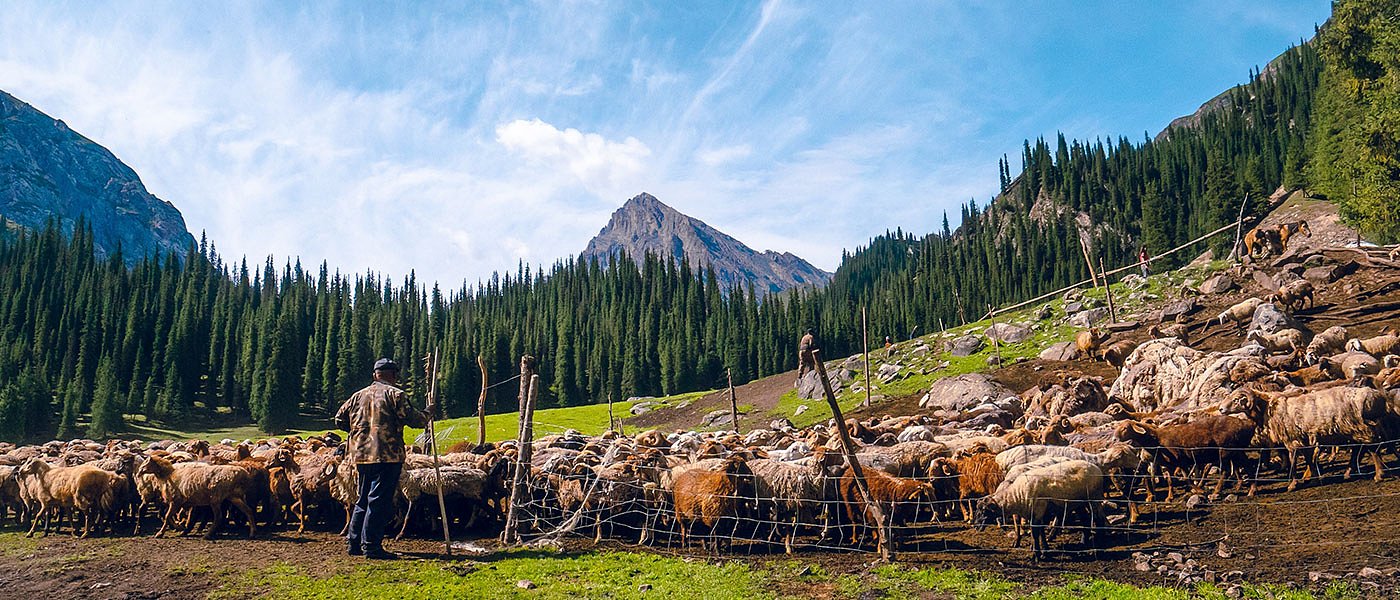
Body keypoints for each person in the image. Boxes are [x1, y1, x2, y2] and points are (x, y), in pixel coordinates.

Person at [335, 358, 435, 560]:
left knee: (362, 498)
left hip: (361, 455)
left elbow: (339, 419)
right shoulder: (395, 394)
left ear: (375, 375)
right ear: (394, 375)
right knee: (378, 500)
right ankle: (371, 546)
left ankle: (354, 543)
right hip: (387, 454)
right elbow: (413, 419)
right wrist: (428, 413)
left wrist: (358, 433)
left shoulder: (357, 396)